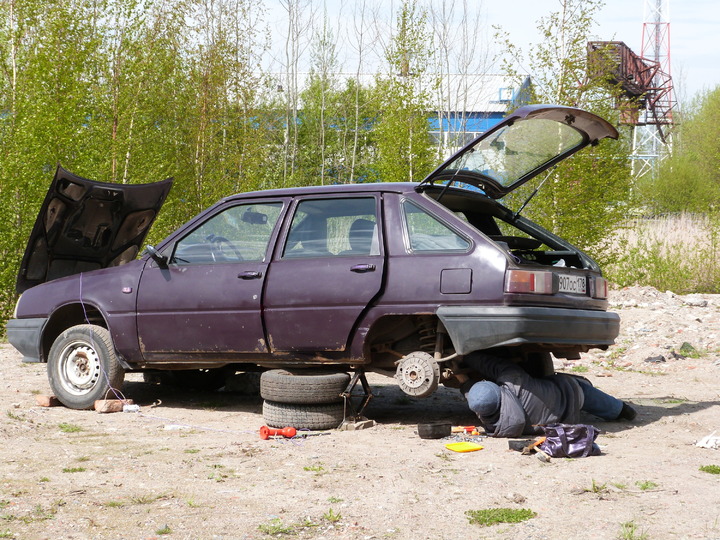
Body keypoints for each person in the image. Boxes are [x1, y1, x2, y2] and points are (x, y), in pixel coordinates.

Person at [458, 353, 637, 438]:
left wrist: (461, 378)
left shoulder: (493, 424)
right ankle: (622, 411)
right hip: (569, 395)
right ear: (497, 390)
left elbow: (476, 398)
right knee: (584, 391)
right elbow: (491, 363)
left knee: (579, 394)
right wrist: (465, 356)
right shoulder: (514, 381)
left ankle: (619, 411)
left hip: (566, 419)